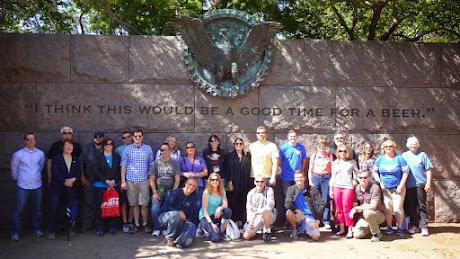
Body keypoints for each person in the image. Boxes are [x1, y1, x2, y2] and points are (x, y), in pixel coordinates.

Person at [10, 133, 45, 241]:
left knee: (37, 210)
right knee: (18, 210)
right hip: (23, 186)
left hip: (37, 185)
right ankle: (15, 232)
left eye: (32, 139)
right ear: (24, 140)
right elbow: (14, 169)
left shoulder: (40, 154)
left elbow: (41, 167)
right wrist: (20, 178)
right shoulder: (18, 154)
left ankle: (37, 229)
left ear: (35, 140)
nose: (31, 141)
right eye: (28, 139)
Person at [120, 128, 154, 234]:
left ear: (142, 137)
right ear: (132, 137)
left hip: (144, 179)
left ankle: (145, 224)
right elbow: (123, 165)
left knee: (144, 204)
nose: (137, 138)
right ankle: (136, 224)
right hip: (130, 180)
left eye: (139, 136)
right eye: (135, 136)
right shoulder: (127, 149)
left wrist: (151, 180)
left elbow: (151, 165)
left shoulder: (148, 149)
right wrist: (123, 181)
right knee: (134, 204)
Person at [373, 139, 410, 236]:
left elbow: (406, 172)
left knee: (398, 208)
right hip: (385, 189)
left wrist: (401, 185)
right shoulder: (380, 159)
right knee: (388, 208)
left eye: (390, 146)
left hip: (398, 188)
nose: (388, 148)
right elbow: (375, 172)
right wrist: (380, 183)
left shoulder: (399, 158)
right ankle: (389, 226)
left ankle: (400, 227)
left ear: (393, 147)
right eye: (386, 147)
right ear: (383, 148)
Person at [48, 139, 82, 240]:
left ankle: (67, 228)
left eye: (70, 146)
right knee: (54, 208)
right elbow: (55, 171)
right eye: (66, 146)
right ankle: (52, 230)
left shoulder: (75, 159)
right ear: (63, 147)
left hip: (70, 188)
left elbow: (78, 173)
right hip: (57, 187)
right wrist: (64, 181)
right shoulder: (57, 158)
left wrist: (73, 179)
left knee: (69, 209)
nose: (69, 148)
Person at [402, 136, 433, 236]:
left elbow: (428, 169)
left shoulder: (422, 155)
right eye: (411, 144)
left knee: (422, 205)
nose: (412, 146)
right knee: (411, 206)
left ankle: (423, 226)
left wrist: (428, 182)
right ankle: (413, 225)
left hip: (420, 184)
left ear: (417, 145)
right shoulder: (404, 156)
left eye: (414, 144)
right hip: (409, 185)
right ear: (408, 145)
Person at [149, 143, 181, 236]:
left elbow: (177, 179)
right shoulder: (156, 163)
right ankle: (156, 227)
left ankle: (165, 227)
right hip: (158, 189)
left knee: (167, 209)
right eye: (162, 150)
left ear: (170, 151)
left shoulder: (174, 163)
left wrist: (174, 192)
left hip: (170, 189)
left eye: (166, 150)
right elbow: (152, 179)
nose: (164, 152)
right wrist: (154, 193)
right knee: (155, 209)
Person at [158, 178, 200, 247]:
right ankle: (169, 238)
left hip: (179, 220)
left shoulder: (192, 197)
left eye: (194, 186)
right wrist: (179, 211)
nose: (191, 187)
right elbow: (166, 206)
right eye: (190, 184)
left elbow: (192, 215)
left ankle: (177, 238)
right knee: (176, 214)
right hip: (164, 216)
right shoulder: (176, 192)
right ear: (186, 184)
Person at [285, 170, 325, 241]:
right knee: (288, 213)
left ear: (304, 178)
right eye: (297, 178)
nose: (299, 179)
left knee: (316, 237)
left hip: (309, 217)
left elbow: (322, 203)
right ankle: (295, 228)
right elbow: (287, 203)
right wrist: (297, 210)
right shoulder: (291, 189)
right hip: (298, 216)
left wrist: (318, 220)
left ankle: (306, 230)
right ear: (294, 179)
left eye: (300, 177)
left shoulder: (312, 189)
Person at [329, 144, 358, 238]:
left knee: (347, 208)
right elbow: (333, 177)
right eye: (340, 151)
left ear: (347, 152)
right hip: (337, 187)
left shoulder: (351, 162)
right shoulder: (334, 163)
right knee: (339, 209)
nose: (342, 153)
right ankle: (342, 229)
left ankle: (350, 230)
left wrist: (355, 180)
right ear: (338, 152)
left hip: (348, 187)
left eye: (344, 151)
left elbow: (357, 173)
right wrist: (331, 189)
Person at [278, 130, 307, 224]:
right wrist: (283, 168)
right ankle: (287, 220)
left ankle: (298, 219)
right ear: (288, 137)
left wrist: (300, 171)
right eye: (291, 136)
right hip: (286, 178)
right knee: (287, 199)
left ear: (297, 137)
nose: (292, 138)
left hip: (297, 179)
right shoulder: (283, 148)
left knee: (298, 198)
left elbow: (304, 160)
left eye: (294, 136)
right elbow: (279, 160)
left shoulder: (301, 147)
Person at [93, 138, 121, 236]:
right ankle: (100, 228)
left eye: (110, 144)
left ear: (113, 146)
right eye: (106, 144)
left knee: (113, 207)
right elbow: (96, 170)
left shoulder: (117, 157)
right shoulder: (98, 156)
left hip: (114, 185)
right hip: (100, 185)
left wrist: (114, 181)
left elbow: (119, 170)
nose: (108, 146)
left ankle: (113, 227)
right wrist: (106, 181)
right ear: (103, 145)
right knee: (101, 207)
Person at [349, 170, 386, 242]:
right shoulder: (356, 189)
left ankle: (376, 234)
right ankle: (371, 227)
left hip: (378, 214)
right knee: (357, 235)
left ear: (369, 178)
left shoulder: (374, 187)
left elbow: (373, 206)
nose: (362, 179)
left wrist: (358, 208)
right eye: (360, 177)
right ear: (357, 178)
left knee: (367, 212)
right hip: (364, 216)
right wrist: (359, 208)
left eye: (365, 177)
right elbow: (355, 204)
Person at [80, 131, 105, 232]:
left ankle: (100, 226)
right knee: (88, 203)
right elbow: (81, 163)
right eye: (96, 137)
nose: (98, 139)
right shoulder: (87, 149)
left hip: (102, 181)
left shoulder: (107, 148)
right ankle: (86, 225)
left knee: (101, 204)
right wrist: (82, 177)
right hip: (89, 180)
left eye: (100, 137)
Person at [308, 138, 334, 229]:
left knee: (325, 199)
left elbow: (332, 170)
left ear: (325, 146)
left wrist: (332, 180)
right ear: (317, 146)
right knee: (315, 199)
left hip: (326, 178)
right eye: (319, 146)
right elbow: (310, 169)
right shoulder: (314, 156)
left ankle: (326, 220)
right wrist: (310, 181)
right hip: (316, 177)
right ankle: (317, 220)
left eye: (323, 145)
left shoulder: (330, 156)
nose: (321, 147)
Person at [224, 138, 251, 227]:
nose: (238, 145)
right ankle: (235, 220)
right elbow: (226, 169)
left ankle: (241, 220)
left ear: (243, 145)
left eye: (240, 143)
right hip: (233, 183)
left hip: (244, 183)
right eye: (236, 144)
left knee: (243, 202)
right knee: (233, 202)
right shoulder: (229, 156)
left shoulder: (247, 156)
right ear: (234, 145)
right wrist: (228, 182)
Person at [199, 173, 232, 242]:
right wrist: (211, 224)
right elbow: (205, 211)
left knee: (228, 211)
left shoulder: (222, 191)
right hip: (206, 217)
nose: (215, 181)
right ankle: (204, 229)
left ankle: (221, 231)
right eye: (212, 180)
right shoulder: (206, 192)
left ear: (219, 181)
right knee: (216, 239)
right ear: (210, 181)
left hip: (216, 214)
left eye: (217, 180)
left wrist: (219, 208)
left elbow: (225, 203)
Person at [243, 175, 277, 243]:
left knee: (266, 212)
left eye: (261, 182)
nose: (259, 184)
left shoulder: (269, 190)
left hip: (268, 215)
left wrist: (257, 212)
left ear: (265, 182)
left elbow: (270, 205)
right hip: (255, 217)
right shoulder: (251, 193)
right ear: (254, 182)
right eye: (257, 181)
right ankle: (256, 230)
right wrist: (250, 221)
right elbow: (249, 208)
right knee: (246, 236)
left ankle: (265, 232)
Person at [178, 142, 208, 208]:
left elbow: (205, 172)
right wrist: (184, 174)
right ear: (185, 149)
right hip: (186, 185)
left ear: (195, 149)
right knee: (185, 203)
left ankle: (195, 218)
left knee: (198, 204)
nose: (190, 149)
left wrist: (196, 174)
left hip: (198, 185)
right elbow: (176, 172)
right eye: (188, 147)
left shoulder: (200, 159)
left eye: (192, 147)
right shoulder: (181, 159)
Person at [114, 131, 132, 233]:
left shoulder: (136, 148)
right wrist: (121, 181)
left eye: (129, 137)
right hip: (123, 179)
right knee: (124, 202)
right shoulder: (118, 150)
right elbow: (117, 167)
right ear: (122, 139)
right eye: (124, 137)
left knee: (133, 203)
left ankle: (130, 221)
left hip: (134, 179)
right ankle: (125, 222)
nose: (127, 139)